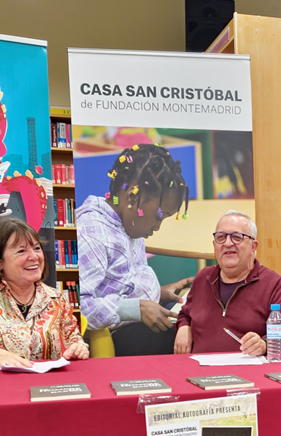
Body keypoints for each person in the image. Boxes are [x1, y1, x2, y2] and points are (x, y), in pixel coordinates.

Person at [76, 143, 193, 356]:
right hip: (117, 336)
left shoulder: (129, 222)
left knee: (195, 315)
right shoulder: (92, 233)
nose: (157, 226)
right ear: (131, 198)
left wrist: (159, 293)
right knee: (190, 335)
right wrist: (136, 308)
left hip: (135, 324)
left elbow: (121, 286)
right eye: (158, 216)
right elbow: (76, 307)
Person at [0, 217, 89, 369]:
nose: (34, 257)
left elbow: (73, 340)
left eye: (37, 248)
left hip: (45, 387)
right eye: (21, 251)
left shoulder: (56, 298)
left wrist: (78, 348)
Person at [174, 210, 281, 356]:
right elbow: (185, 314)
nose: (227, 243)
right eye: (221, 237)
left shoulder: (273, 283)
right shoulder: (203, 278)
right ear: (214, 245)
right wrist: (183, 327)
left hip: (248, 373)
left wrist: (264, 344)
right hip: (199, 371)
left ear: (253, 246)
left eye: (237, 237)